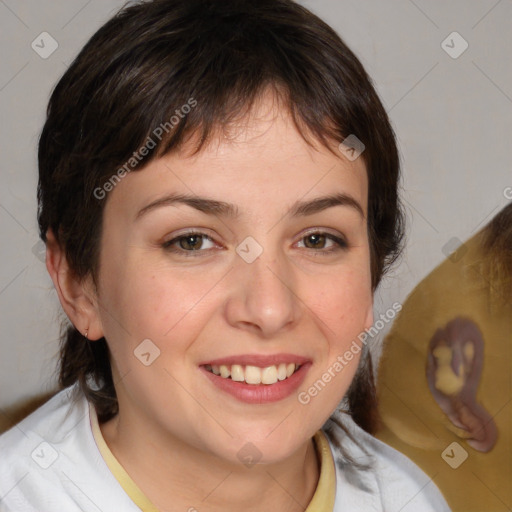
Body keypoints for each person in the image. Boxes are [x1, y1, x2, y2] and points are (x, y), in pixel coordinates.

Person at [0, 1, 451, 510]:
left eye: (318, 239)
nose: (269, 308)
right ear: (78, 283)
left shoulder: (408, 498)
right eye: (191, 241)